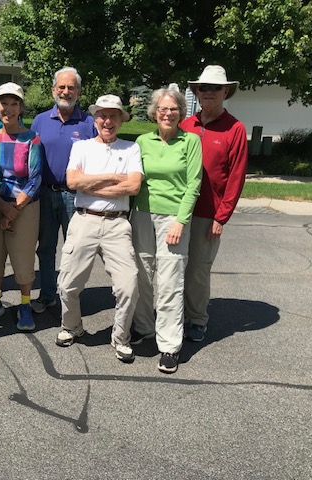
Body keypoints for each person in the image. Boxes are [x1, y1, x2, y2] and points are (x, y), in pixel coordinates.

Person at [55, 95, 143, 363]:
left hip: (118, 223)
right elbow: (72, 181)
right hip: (84, 220)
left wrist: (90, 183)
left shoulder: (131, 148)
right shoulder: (81, 147)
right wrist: (113, 177)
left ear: (120, 120)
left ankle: (120, 338)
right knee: (67, 284)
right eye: (102, 115)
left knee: (128, 285)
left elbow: (133, 187)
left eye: (113, 116)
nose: (108, 121)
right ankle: (72, 326)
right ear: (95, 120)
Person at [130, 87, 202, 374]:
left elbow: (193, 184)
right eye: (163, 108)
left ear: (181, 112)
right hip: (142, 215)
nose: (168, 113)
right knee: (142, 274)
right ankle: (145, 327)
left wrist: (180, 221)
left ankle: (170, 345)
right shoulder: (142, 141)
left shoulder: (191, 141)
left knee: (170, 281)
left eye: (174, 109)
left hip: (174, 218)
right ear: (155, 112)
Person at [181, 65, 248, 342]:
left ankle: (197, 319)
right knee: (174, 267)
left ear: (225, 91)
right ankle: (175, 314)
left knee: (198, 269)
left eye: (214, 88)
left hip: (208, 213)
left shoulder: (235, 129)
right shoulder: (185, 125)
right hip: (177, 211)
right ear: (196, 91)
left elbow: (236, 176)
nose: (208, 93)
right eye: (203, 88)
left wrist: (222, 217)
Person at [30, 67, 96, 313]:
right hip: (45, 194)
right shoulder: (39, 121)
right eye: (61, 87)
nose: (66, 92)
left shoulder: (89, 123)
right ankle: (47, 294)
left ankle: (71, 295)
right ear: (53, 90)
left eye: (71, 88)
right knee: (45, 247)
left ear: (78, 92)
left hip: (75, 196)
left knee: (75, 249)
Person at [0, 82, 42, 331]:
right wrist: (3, 208)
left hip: (24, 208)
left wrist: (13, 209)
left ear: (20, 107)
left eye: (14, 103)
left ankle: (25, 305)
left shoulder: (32, 139)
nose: (8, 108)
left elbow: (35, 178)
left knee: (23, 258)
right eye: (4, 103)